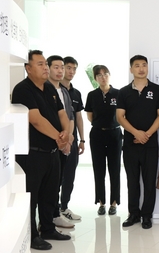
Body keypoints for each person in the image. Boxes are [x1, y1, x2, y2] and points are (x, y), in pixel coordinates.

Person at [12, 50, 72, 250]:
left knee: (50, 194)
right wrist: (59, 137)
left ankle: (47, 229)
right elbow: (36, 120)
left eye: (46, 63)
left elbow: (62, 114)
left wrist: (66, 133)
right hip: (32, 153)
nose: (45, 67)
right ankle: (31, 235)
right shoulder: (23, 89)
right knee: (32, 197)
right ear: (28, 68)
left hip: (52, 152)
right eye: (40, 64)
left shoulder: (49, 88)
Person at [117, 55, 159, 229]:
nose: (141, 68)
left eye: (144, 65)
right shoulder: (123, 92)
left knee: (149, 182)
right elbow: (120, 117)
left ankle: (147, 215)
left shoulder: (158, 90)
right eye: (137, 65)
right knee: (132, 181)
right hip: (130, 144)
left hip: (150, 145)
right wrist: (136, 133)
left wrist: (146, 134)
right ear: (131, 69)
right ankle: (133, 214)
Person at [85, 65, 122, 216]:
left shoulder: (118, 94)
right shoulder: (92, 95)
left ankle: (114, 203)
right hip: (97, 135)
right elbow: (90, 116)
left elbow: (122, 115)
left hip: (115, 134)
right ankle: (101, 203)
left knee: (115, 169)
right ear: (95, 78)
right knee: (98, 169)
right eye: (99, 75)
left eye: (105, 74)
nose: (103, 77)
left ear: (109, 75)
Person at [47, 55, 76, 230]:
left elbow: (70, 116)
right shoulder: (45, 89)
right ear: (48, 68)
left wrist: (69, 137)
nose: (60, 71)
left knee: (59, 180)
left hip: (65, 142)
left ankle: (56, 213)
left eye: (62, 67)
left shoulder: (64, 91)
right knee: (50, 183)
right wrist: (60, 139)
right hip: (51, 143)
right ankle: (49, 217)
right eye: (56, 67)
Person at [59, 56, 85, 221]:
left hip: (73, 141)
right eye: (68, 67)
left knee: (69, 176)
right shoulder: (53, 89)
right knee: (56, 177)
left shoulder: (76, 93)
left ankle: (64, 207)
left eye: (74, 68)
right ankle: (53, 211)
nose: (71, 71)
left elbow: (78, 117)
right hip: (58, 140)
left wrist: (82, 140)